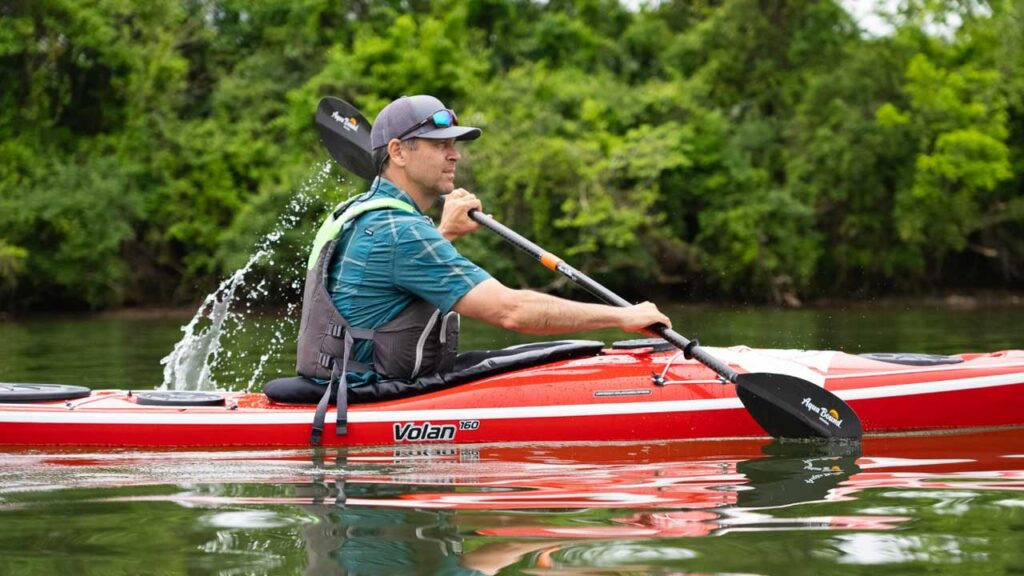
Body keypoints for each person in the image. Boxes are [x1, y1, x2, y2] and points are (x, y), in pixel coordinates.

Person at [291, 94, 671, 398]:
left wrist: (446, 234)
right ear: (399, 152)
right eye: (439, 144)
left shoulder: (361, 212)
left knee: (547, 353)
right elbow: (512, 312)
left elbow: (382, 288)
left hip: (344, 384)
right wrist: (622, 317)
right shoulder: (401, 231)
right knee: (556, 352)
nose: (454, 154)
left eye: (454, 144)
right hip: (366, 398)